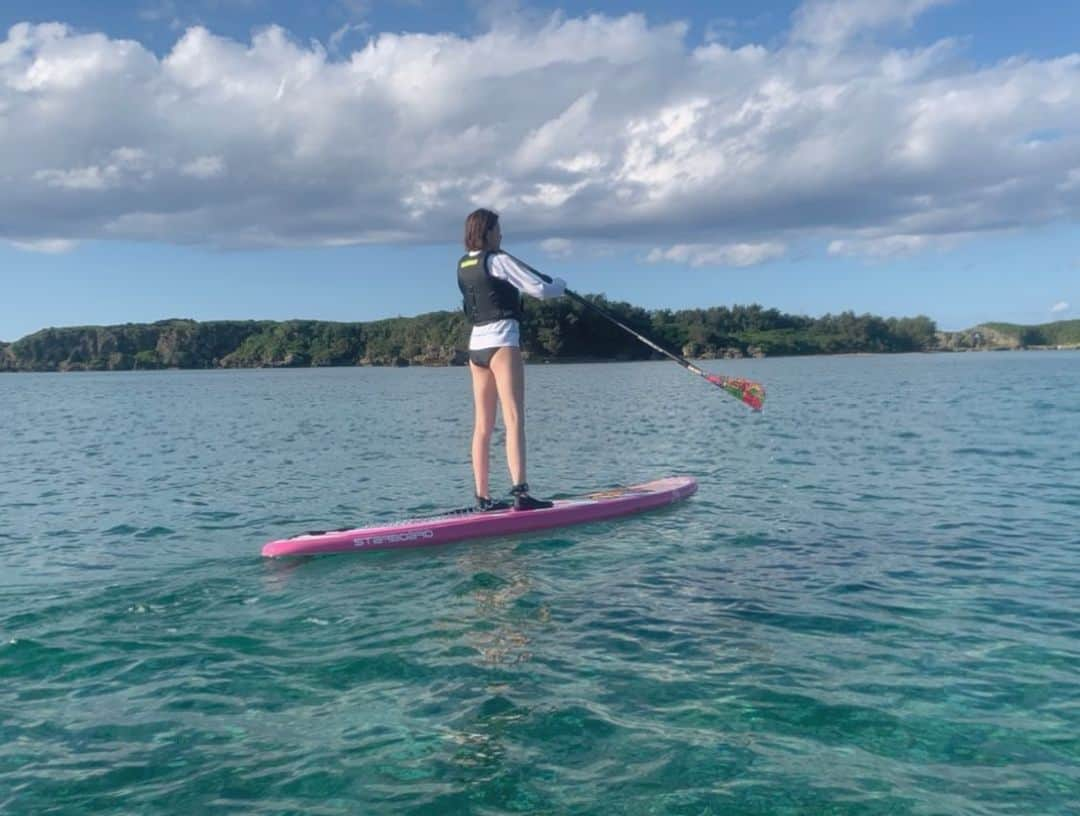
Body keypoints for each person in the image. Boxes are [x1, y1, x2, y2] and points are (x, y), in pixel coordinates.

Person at [458, 209, 566, 511]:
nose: (502, 235)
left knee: (483, 425)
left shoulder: (464, 264)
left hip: (475, 347)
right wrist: (561, 284)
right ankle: (521, 494)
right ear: (488, 232)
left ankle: (482, 497)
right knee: (514, 418)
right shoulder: (500, 261)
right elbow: (540, 291)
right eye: (498, 230)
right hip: (502, 342)